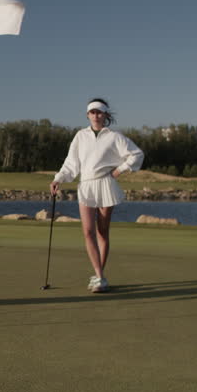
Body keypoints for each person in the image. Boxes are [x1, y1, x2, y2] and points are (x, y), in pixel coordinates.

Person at [50, 98, 144, 293]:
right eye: (92, 112)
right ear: (87, 115)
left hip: (106, 184)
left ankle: (99, 276)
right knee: (87, 232)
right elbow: (71, 163)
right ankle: (100, 275)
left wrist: (120, 170)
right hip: (86, 185)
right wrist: (58, 178)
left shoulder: (114, 137)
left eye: (99, 112)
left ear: (106, 115)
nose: (96, 115)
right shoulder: (80, 136)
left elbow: (137, 154)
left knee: (102, 232)